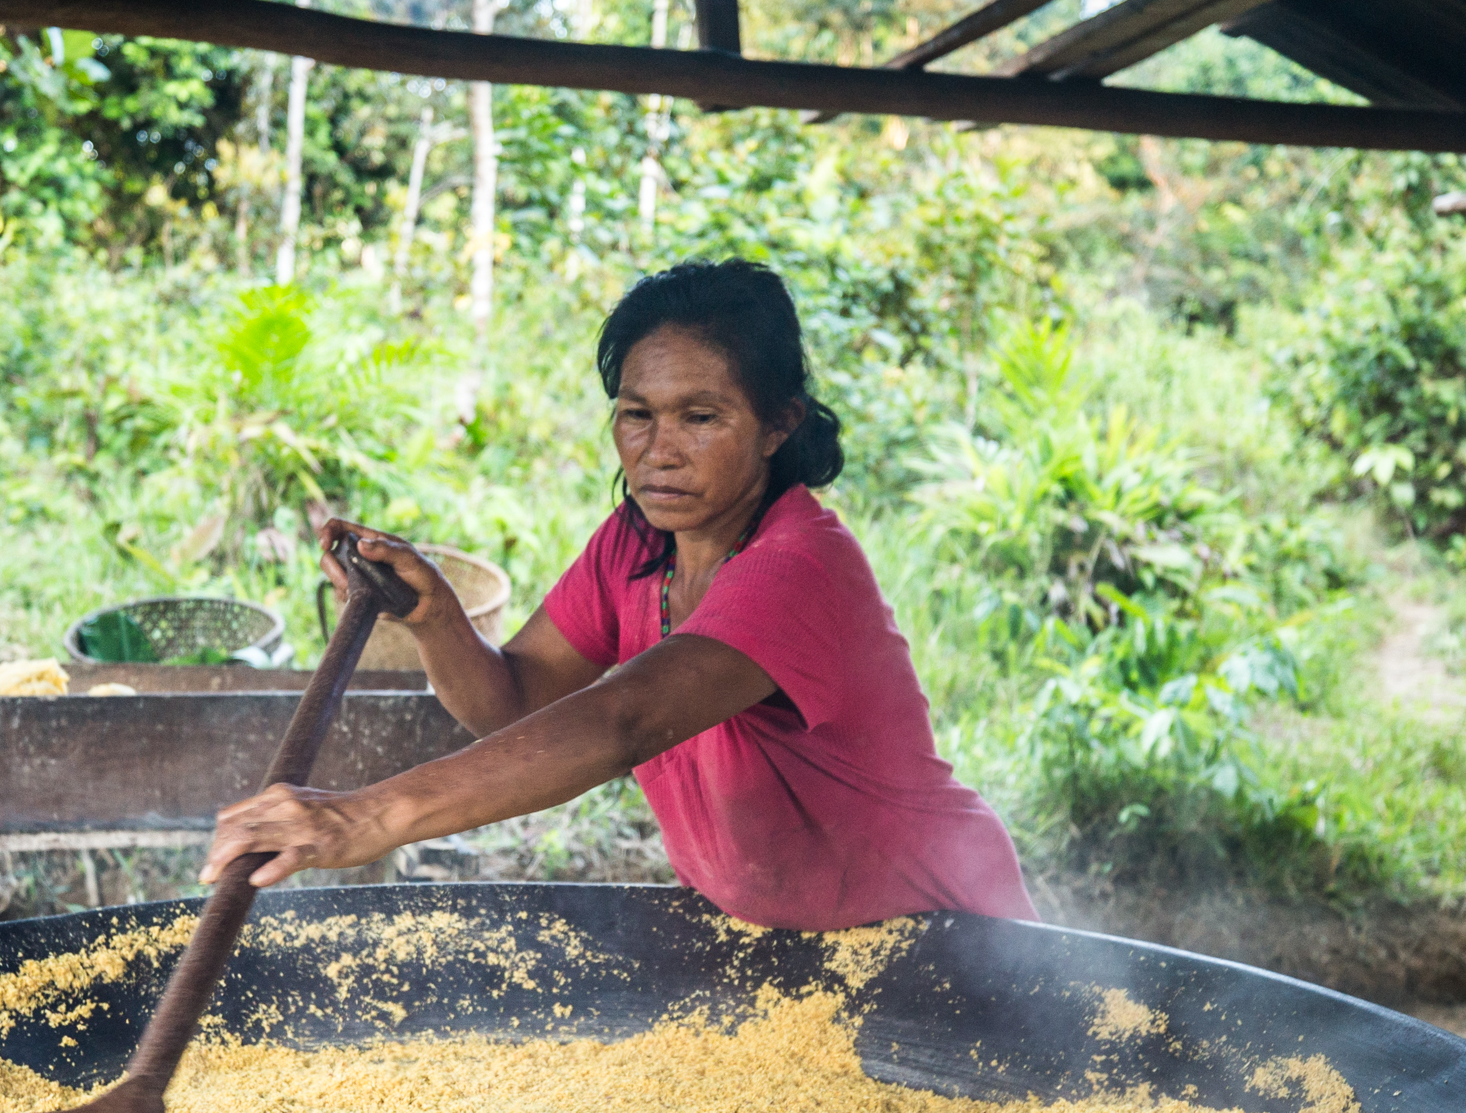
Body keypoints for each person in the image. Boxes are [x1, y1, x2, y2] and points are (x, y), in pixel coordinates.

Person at [200, 259, 1033, 933]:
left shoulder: (797, 567)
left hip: (938, 931)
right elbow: (514, 703)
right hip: (785, 941)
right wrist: (436, 616)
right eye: (637, 415)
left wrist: (362, 819)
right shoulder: (635, 548)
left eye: (700, 418)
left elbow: (622, 719)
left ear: (780, 423)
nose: (659, 452)